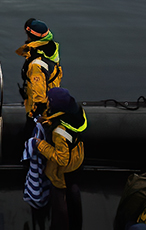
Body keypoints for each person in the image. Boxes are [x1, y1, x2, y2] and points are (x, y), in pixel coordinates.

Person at [35, 87, 87, 230]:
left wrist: (41, 145)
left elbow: (61, 159)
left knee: (59, 199)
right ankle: (75, 220)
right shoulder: (75, 113)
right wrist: (47, 120)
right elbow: (59, 119)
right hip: (77, 158)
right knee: (73, 190)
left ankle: (59, 226)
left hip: (64, 169)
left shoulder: (59, 133)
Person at [16, 19, 62, 122]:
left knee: (29, 132)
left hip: (41, 109)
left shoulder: (36, 65)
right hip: (53, 97)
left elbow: (40, 98)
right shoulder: (50, 47)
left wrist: (33, 115)